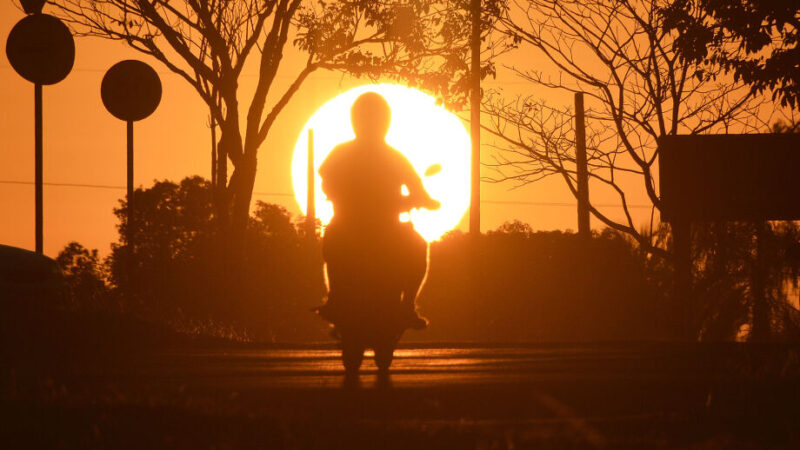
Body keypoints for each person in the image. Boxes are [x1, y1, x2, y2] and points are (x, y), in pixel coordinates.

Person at [316, 92, 440, 330]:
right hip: (373, 228)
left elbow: (326, 181)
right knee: (415, 246)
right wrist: (427, 202)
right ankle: (405, 306)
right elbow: (420, 193)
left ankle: (339, 300)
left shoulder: (343, 153)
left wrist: (425, 200)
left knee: (414, 245)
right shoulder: (393, 157)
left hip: (357, 227)